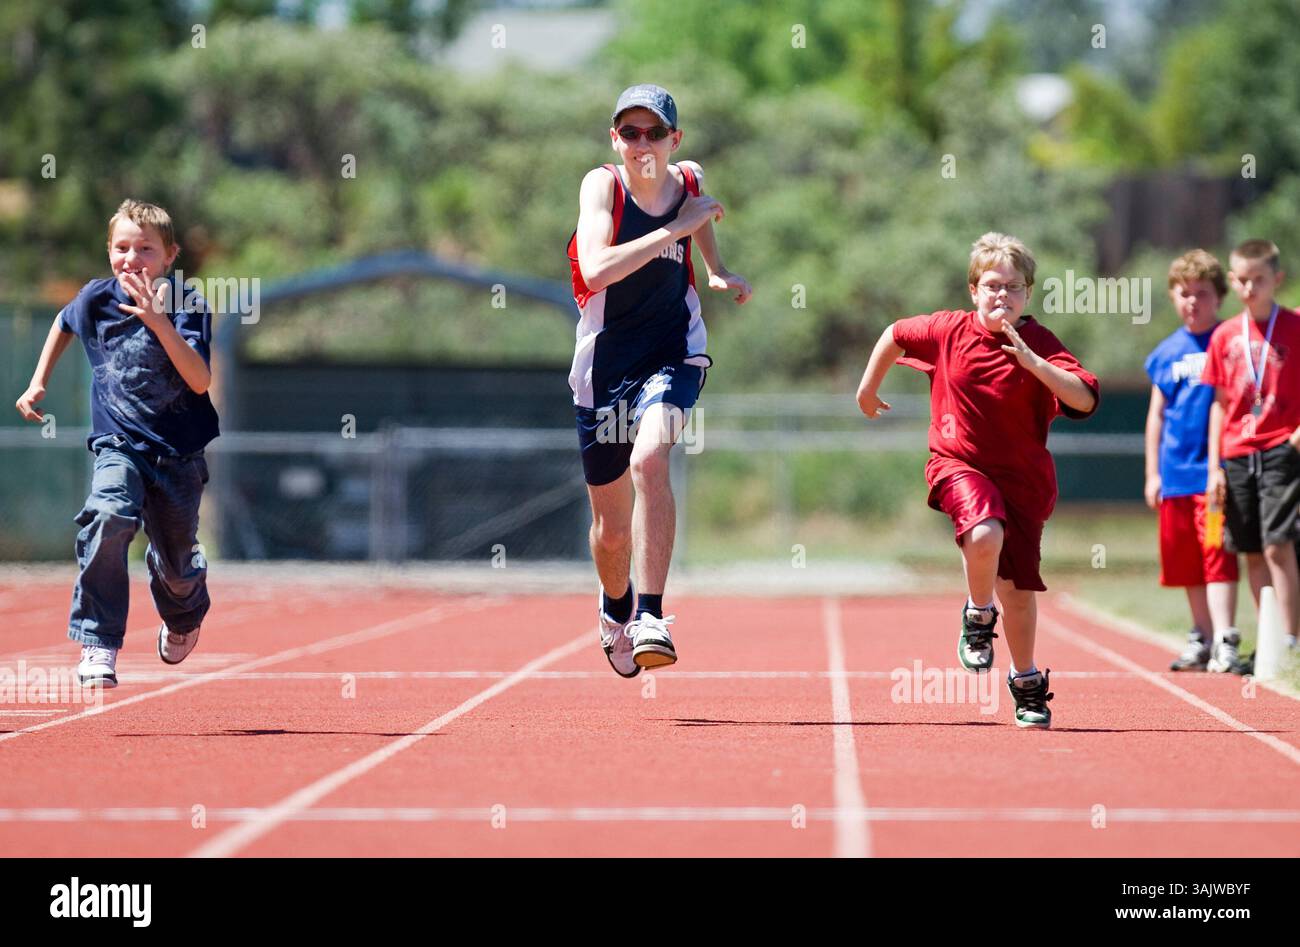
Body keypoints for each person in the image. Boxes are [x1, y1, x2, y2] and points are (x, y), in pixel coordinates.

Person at [855, 232, 1099, 728]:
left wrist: (1035, 363)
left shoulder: (1041, 342)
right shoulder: (948, 330)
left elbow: (1085, 399)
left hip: (1023, 480)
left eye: (1012, 287)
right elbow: (895, 333)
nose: (1001, 296)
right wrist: (867, 389)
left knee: (1020, 590)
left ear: (1027, 294)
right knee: (984, 531)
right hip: (958, 463)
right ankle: (978, 614)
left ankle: (1026, 680)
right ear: (973, 290)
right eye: (991, 286)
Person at [566, 84, 751, 676]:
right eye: (630, 132)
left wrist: (716, 270)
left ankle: (650, 614)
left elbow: (697, 218)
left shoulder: (688, 180)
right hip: (605, 367)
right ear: (614, 138)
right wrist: (675, 232)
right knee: (610, 533)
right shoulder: (603, 187)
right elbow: (594, 271)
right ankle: (616, 604)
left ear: (676, 139)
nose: (642, 144)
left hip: (675, 353)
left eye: (654, 133)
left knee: (651, 460)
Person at [14, 199, 220, 687]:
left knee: (176, 569)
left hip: (178, 455)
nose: (132, 258)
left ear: (169, 256)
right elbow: (63, 323)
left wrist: (157, 320)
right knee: (106, 515)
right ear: (109, 251)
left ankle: (183, 613)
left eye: (146, 249)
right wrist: (38, 380)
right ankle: (98, 640)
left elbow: (198, 379)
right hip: (118, 444)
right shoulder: (95, 298)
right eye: (122, 248)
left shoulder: (188, 303)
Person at [1203, 239, 1300, 671]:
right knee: (1252, 551)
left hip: (1282, 447)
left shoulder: (1296, 328)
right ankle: (1269, 646)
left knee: (1279, 544)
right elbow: (1220, 405)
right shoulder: (1225, 335)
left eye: (1257, 279)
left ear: (1276, 279)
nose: (1248, 287)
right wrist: (1214, 467)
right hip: (1237, 452)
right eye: (1241, 279)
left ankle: (1292, 640)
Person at [1144, 250, 1242, 671]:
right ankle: (1200, 635)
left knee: (1216, 551)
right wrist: (1151, 473)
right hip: (1175, 475)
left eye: (1202, 294)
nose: (1193, 302)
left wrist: (1221, 465)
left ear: (1218, 297)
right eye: (1185, 294)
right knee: (1185, 560)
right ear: (1173, 297)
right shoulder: (1166, 353)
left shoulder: (1232, 342)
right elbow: (1156, 416)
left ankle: (1225, 638)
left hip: (1214, 475)